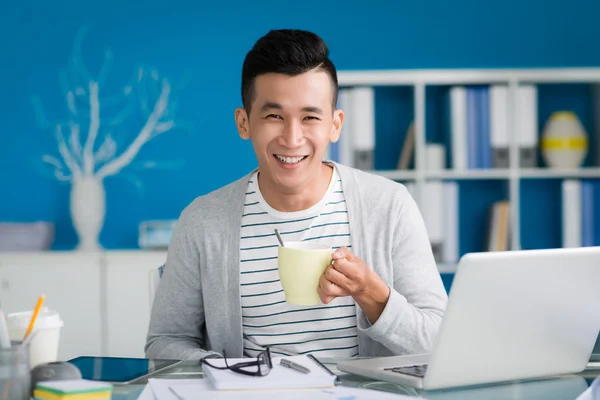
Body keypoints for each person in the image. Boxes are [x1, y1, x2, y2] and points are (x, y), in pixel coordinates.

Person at [145, 29, 448, 361]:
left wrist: (370, 293)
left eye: (310, 117)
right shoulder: (203, 221)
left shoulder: (389, 205)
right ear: (244, 123)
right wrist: (229, 372)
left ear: (334, 125)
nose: (292, 138)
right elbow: (164, 342)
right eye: (274, 116)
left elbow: (438, 342)